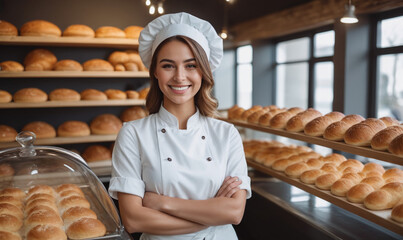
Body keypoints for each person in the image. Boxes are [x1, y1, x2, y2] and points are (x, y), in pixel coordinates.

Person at [108, 12, 251, 240]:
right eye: (168, 66)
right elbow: (134, 220)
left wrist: (161, 202)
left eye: (191, 65)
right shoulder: (133, 134)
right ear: (155, 72)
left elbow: (234, 213)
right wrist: (211, 214)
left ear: (203, 72)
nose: (180, 76)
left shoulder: (226, 134)